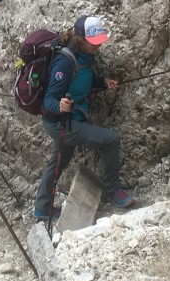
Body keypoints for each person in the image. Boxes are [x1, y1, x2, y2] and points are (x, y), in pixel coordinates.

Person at [32, 14, 132, 221]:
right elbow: (48, 99)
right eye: (93, 42)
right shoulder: (64, 62)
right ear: (80, 39)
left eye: (99, 41)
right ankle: (113, 191)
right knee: (110, 140)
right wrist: (59, 105)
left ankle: (42, 208)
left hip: (71, 119)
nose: (98, 46)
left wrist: (103, 82)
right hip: (61, 122)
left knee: (59, 161)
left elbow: (84, 76)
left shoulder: (84, 57)